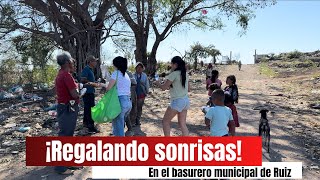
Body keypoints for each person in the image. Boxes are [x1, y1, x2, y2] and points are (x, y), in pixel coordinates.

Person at [54, 53, 81, 174]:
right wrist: (80, 90)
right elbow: (75, 94)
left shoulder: (61, 74)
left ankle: (67, 162)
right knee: (65, 136)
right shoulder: (66, 75)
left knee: (67, 135)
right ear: (66, 63)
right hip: (67, 108)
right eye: (71, 61)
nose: (73, 63)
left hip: (64, 107)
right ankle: (60, 167)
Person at [155, 56, 190, 136]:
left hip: (177, 101)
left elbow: (164, 87)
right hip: (186, 101)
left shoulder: (173, 74)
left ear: (175, 64)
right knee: (182, 124)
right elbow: (189, 89)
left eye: (172, 64)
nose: (171, 65)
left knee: (165, 121)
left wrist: (157, 83)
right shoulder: (185, 74)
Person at [104, 56, 132, 136]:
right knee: (120, 126)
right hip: (128, 102)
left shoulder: (115, 73)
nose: (112, 66)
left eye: (113, 64)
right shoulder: (126, 75)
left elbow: (109, 88)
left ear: (116, 65)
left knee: (118, 129)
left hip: (119, 102)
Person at [80, 55, 100, 133]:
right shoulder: (86, 69)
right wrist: (92, 83)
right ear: (91, 62)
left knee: (87, 109)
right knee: (90, 110)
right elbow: (83, 79)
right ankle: (91, 127)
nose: (96, 63)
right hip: (87, 92)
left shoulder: (91, 70)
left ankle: (86, 124)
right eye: (95, 61)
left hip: (90, 92)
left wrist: (95, 83)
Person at [125, 70, 137, 136]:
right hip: (123, 96)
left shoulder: (128, 73)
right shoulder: (118, 73)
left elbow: (134, 83)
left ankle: (130, 128)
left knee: (127, 113)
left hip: (128, 95)